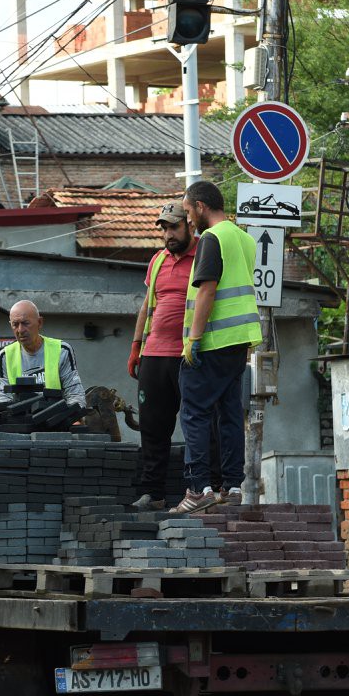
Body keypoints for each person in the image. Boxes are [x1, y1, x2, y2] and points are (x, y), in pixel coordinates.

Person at [172, 181, 262, 515]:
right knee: (229, 413)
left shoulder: (213, 238)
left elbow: (208, 290)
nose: (188, 220)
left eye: (187, 211)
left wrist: (193, 339)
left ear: (200, 205)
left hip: (212, 341)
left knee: (193, 412)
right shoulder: (244, 238)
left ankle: (198, 489)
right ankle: (232, 487)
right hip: (239, 342)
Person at [127, 202, 197, 510]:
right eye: (164, 228)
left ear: (189, 225)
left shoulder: (203, 257)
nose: (168, 234)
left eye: (174, 227)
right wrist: (135, 346)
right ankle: (152, 493)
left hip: (188, 354)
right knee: (153, 428)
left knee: (197, 426)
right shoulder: (157, 261)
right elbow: (146, 306)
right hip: (153, 355)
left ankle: (199, 489)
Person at [0, 300, 85, 408]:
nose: (20, 330)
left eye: (25, 323)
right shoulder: (4, 357)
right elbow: (2, 399)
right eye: (15, 324)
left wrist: (72, 416)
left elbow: (75, 394)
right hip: (20, 422)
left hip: (57, 420)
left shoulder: (61, 350)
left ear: (40, 322)